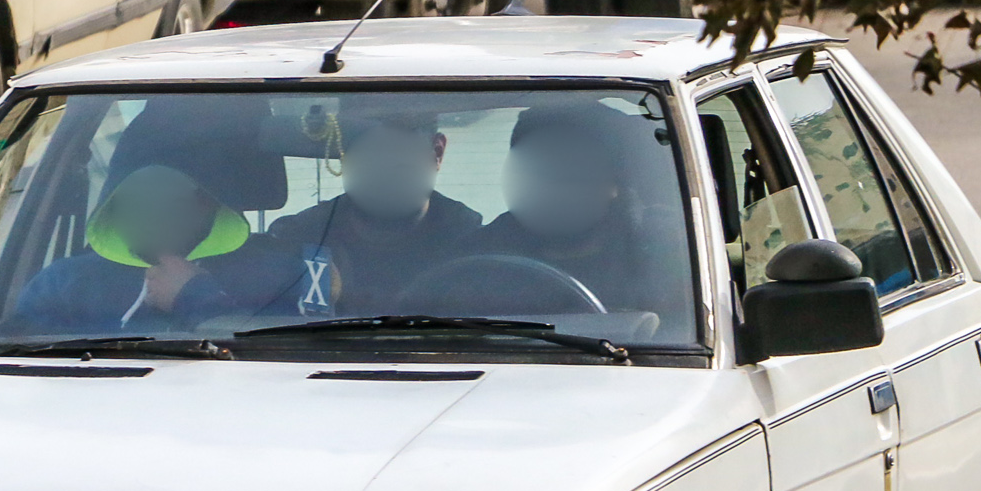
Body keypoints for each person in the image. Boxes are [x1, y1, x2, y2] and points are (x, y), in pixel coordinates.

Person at [10, 162, 311, 334]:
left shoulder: (280, 276)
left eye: (174, 206)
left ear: (209, 206)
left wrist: (196, 297)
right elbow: (12, 357)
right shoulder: (64, 283)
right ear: (110, 210)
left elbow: (289, 363)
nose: (153, 217)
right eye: (136, 205)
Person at [476, 103, 694, 332]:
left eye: (572, 172)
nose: (553, 188)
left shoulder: (670, 253)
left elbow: (683, 346)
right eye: (536, 170)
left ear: (615, 181)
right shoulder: (478, 251)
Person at [266, 111, 481, 315]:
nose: (382, 168)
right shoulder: (299, 242)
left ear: (437, 152)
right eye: (367, 154)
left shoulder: (475, 246)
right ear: (344, 159)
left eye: (397, 155)